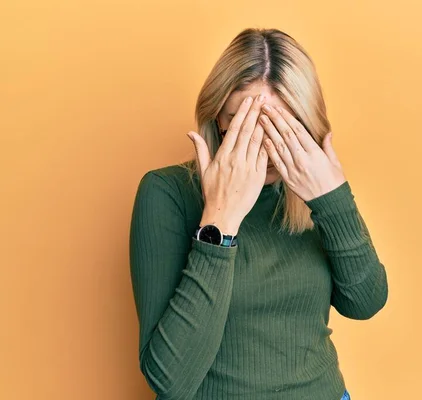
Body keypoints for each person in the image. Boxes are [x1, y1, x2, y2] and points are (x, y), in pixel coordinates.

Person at [129, 27, 388, 400]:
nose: (265, 146)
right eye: (246, 123)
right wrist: (220, 219)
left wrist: (332, 199)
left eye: (281, 125)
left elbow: (364, 302)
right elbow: (169, 379)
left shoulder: (311, 188)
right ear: (219, 118)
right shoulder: (166, 193)